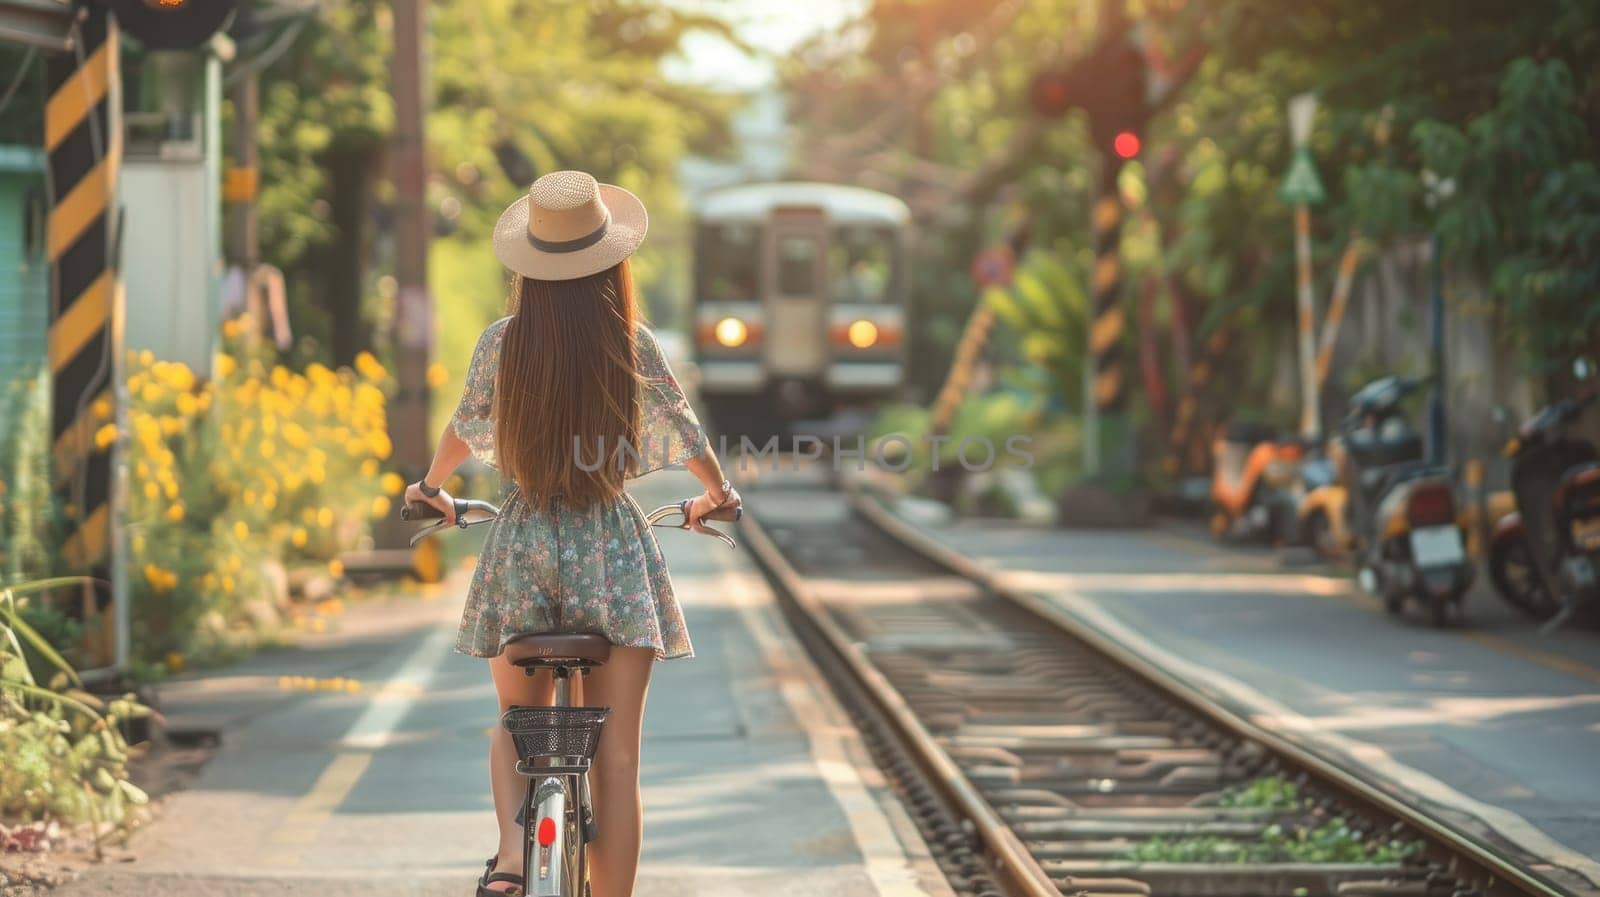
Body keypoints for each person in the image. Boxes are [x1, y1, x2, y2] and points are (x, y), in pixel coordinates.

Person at [404, 171, 738, 897]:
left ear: (529, 265)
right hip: (613, 550)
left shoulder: (502, 342)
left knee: (516, 719)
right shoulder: (632, 342)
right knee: (616, 759)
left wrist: (430, 490)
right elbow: (685, 431)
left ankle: (513, 858)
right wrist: (719, 493)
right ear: (611, 263)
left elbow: (465, 427)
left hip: (521, 548)